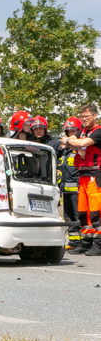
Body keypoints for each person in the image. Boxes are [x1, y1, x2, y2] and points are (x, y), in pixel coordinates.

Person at [60, 104, 101, 255]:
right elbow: (72, 139)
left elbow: (82, 143)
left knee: (96, 212)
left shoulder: (98, 132)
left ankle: (99, 243)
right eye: (82, 117)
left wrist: (72, 143)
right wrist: (73, 143)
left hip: (95, 176)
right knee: (83, 212)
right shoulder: (83, 131)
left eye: (87, 116)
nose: (84, 119)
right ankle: (86, 242)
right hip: (83, 175)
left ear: (95, 116)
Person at [58, 116, 82, 248]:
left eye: (73, 131)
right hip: (66, 190)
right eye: (69, 132)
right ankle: (74, 241)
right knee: (68, 217)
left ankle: (83, 242)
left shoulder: (80, 150)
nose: (71, 134)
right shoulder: (65, 151)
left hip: (78, 190)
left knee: (80, 216)